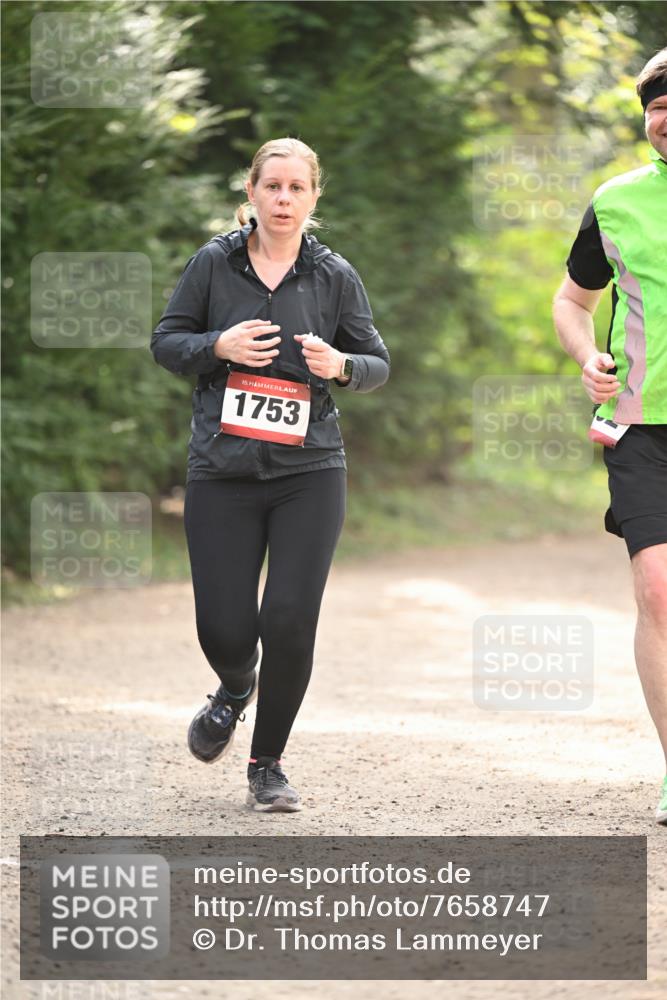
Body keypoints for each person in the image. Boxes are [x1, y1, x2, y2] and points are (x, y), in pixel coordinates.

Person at [151, 137, 390, 812]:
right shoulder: (214, 264)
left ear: (314, 198)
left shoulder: (333, 275)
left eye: (296, 188)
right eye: (272, 187)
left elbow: (376, 363)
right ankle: (233, 689)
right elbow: (165, 343)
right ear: (251, 193)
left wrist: (339, 366)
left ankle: (267, 764)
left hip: (309, 471)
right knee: (223, 631)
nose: (283, 199)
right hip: (221, 471)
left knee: (288, 618)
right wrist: (215, 346)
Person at [553, 49, 667, 825]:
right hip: (640, 430)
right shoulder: (616, 202)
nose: (665, 118)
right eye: (656, 106)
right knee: (658, 592)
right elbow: (571, 301)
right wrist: (586, 355)